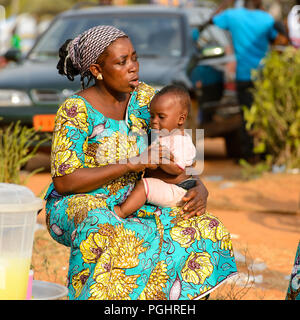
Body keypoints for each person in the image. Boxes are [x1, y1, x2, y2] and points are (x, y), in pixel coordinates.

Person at [44, 25, 237, 300]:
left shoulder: (146, 99)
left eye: (134, 58)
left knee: (202, 226)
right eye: (122, 62)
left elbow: (176, 149)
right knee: (110, 230)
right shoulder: (75, 110)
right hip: (80, 199)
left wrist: (197, 185)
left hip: (140, 193)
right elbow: (64, 182)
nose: (133, 67)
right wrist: (130, 164)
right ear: (97, 70)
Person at [206, 0, 281, 161]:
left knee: (246, 115)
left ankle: (248, 155)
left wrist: (226, 4)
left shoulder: (232, 15)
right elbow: (276, 39)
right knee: (265, 114)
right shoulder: (267, 19)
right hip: (265, 76)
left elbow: (211, 20)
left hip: (244, 75)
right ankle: (265, 153)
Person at [114, 84, 198, 219]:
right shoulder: (165, 137)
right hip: (169, 187)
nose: (154, 121)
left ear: (181, 119)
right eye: (152, 116)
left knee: (144, 187)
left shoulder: (181, 141)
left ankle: (121, 212)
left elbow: (178, 169)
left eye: (161, 117)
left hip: (177, 191)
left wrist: (158, 159)